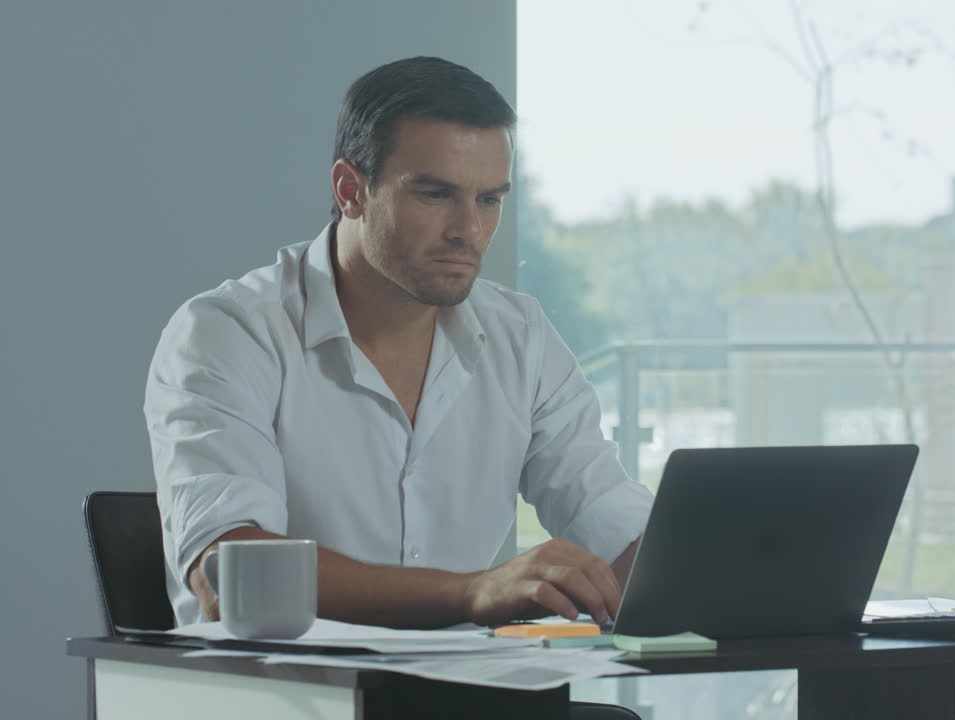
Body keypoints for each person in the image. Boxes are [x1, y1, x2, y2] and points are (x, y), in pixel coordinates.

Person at [144, 56, 654, 630]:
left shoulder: (521, 336)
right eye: (435, 195)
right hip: (275, 698)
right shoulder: (229, 333)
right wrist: (472, 593)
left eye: (489, 199)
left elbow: (609, 517)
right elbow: (229, 577)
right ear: (351, 189)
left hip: (462, 691)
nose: (469, 229)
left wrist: (725, 568)